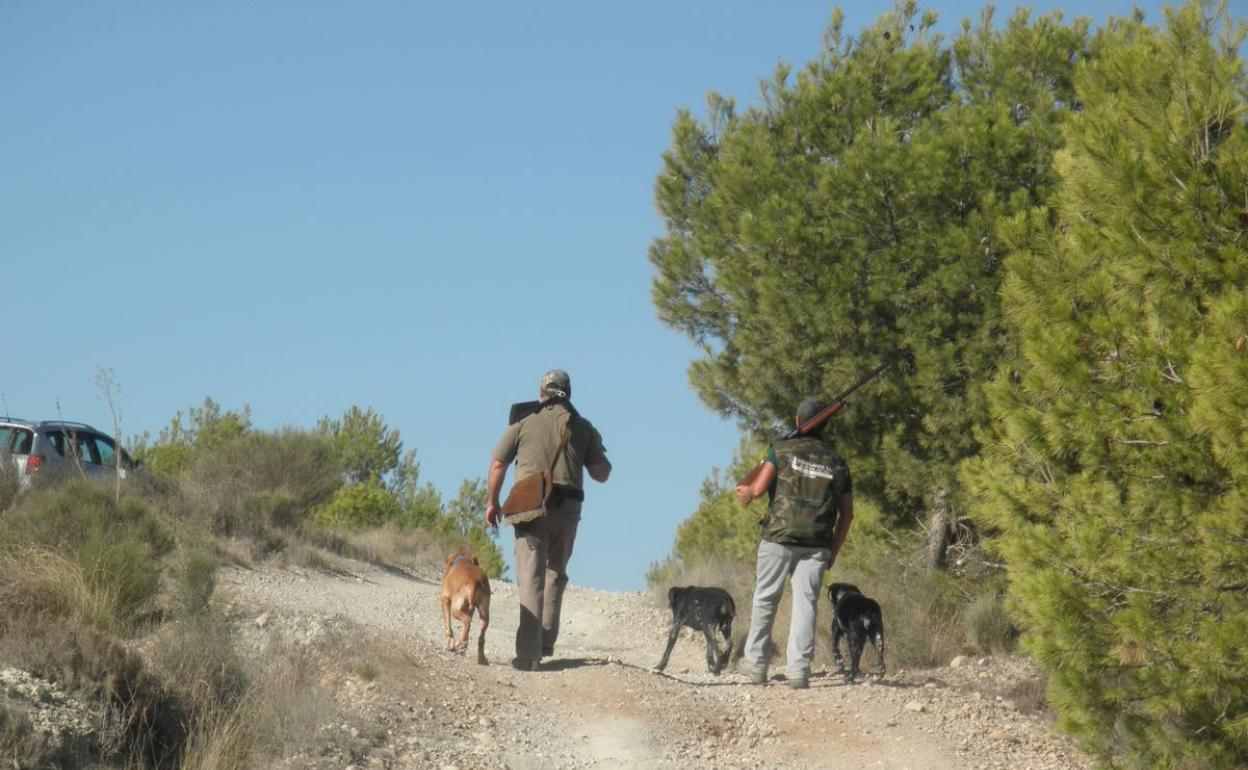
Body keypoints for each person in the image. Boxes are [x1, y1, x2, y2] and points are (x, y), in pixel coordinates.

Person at [485, 369, 611, 671]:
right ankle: (544, 641)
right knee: (556, 571)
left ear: (542, 392)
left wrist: (493, 502)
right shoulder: (583, 427)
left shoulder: (524, 423)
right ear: (569, 393)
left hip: (530, 506)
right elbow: (601, 474)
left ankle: (528, 655)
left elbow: (498, 463)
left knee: (531, 576)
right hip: (568, 508)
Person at [734, 397, 855, 689]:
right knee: (806, 604)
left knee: (765, 598)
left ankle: (756, 664)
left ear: (798, 421)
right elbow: (847, 515)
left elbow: (758, 490)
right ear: (825, 425)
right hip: (817, 543)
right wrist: (833, 552)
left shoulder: (781, 450)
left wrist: (745, 490)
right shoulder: (838, 462)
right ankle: (799, 671)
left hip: (779, 537)